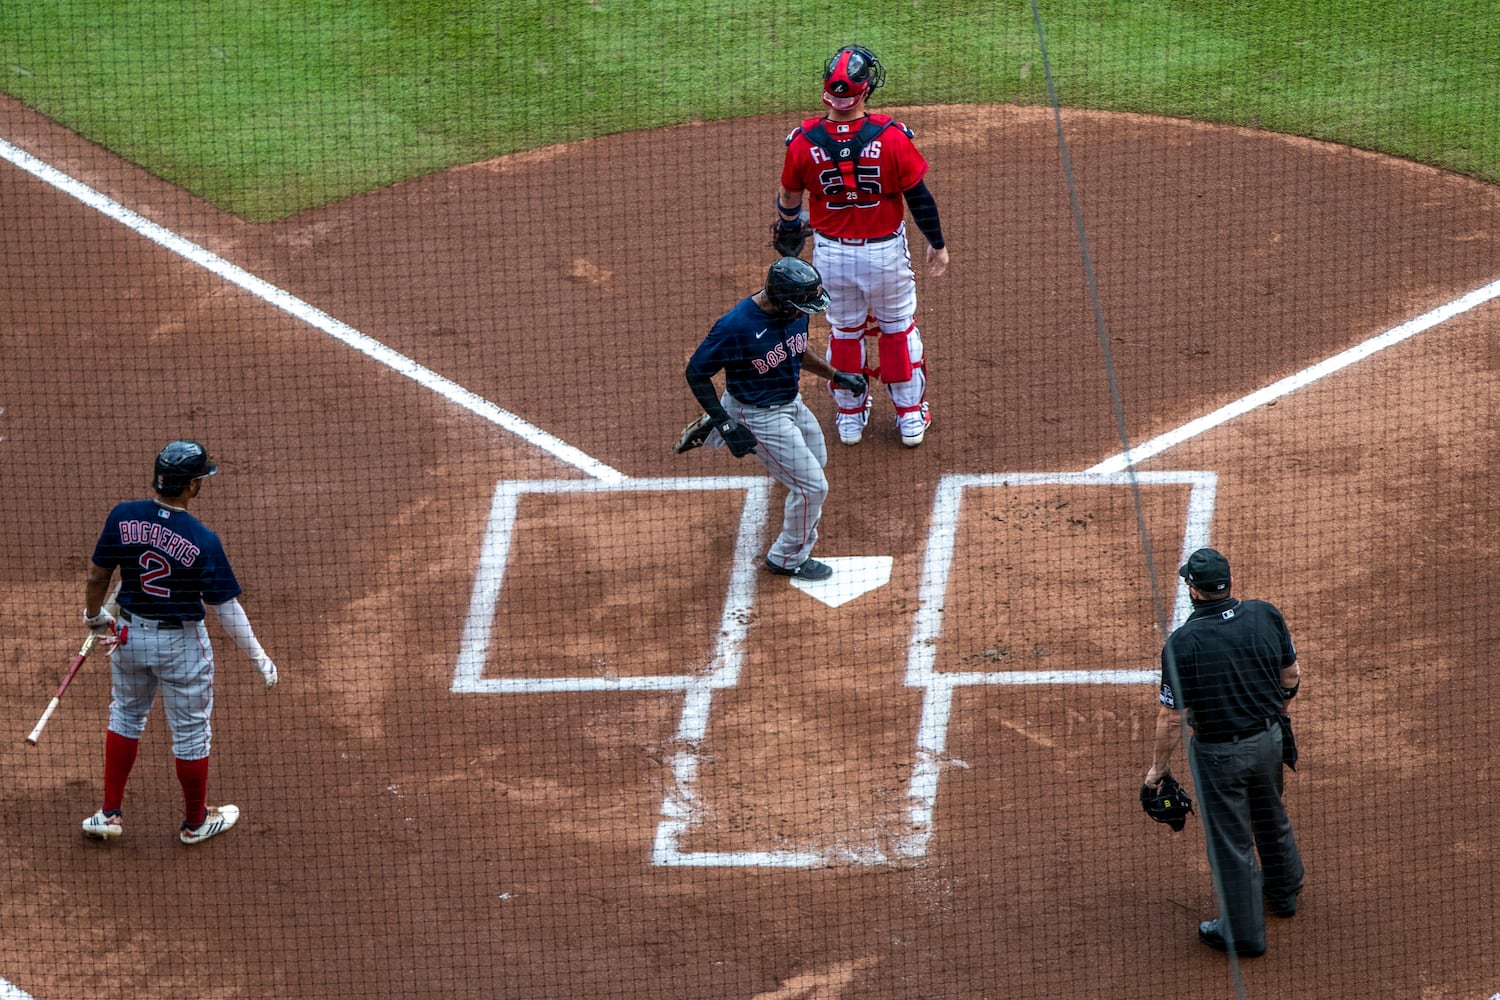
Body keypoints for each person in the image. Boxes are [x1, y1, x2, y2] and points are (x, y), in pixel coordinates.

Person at [80, 440, 279, 845]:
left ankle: (110, 812)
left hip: (128, 636)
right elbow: (224, 608)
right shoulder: (203, 539)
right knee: (190, 733)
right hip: (180, 647)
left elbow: (99, 575)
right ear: (189, 486)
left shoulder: (123, 516)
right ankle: (194, 823)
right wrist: (258, 654)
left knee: (124, 716)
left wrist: (94, 616)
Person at [773, 43, 949, 448]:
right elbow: (919, 198)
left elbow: (789, 196)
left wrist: (787, 228)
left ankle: (850, 418)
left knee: (845, 333)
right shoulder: (891, 138)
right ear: (865, 91)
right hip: (884, 255)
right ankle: (909, 418)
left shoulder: (802, 141)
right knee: (897, 331)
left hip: (831, 256)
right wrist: (937, 243)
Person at [1144, 548, 1304, 957]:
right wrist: (1276, 714)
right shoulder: (1265, 613)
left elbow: (1171, 719)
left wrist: (1156, 772)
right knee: (1271, 817)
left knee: (1231, 844)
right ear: (1229, 582)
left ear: (1193, 590)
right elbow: (1291, 676)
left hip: (1219, 755)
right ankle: (1284, 893)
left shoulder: (1183, 643)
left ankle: (1243, 934)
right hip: (1269, 741)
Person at [678, 258, 866, 581]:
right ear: (780, 300)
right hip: (755, 414)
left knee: (817, 460)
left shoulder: (794, 313)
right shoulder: (735, 327)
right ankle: (787, 557)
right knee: (812, 488)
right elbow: (696, 373)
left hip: (790, 402)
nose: (804, 313)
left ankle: (717, 424)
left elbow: (796, 350)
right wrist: (727, 423)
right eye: (799, 307)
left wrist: (836, 375)